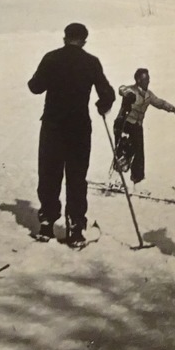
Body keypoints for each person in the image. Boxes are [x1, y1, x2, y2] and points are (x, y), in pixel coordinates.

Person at [27, 22, 115, 247]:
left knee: (49, 174)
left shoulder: (51, 58)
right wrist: (102, 103)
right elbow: (107, 93)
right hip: (79, 128)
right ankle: (75, 230)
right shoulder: (91, 62)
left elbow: (35, 87)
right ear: (84, 40)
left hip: (53, 126)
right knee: (76, 177)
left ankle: (47, 225)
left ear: (65, 37)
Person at [113, 68, 175, 186]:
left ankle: (137, 180)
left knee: (139, 152)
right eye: (145, 79)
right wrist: (128, 95)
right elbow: (121, 89)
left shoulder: (148, 95)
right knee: (124, 150)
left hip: (137, 126)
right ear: (138, 80)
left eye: (148, 79)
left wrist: (174, 110)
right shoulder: (132, 90)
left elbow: (160, 103)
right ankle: (116, 178)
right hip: (124, 124)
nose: (148, 81)